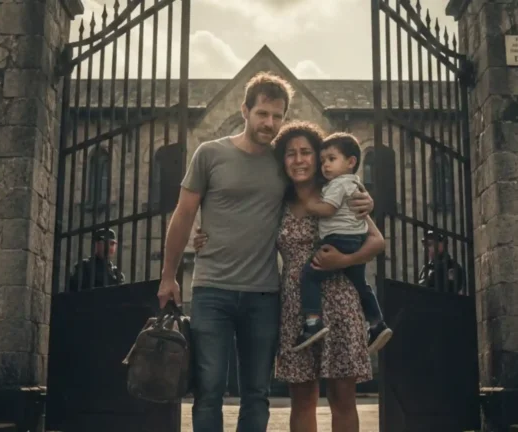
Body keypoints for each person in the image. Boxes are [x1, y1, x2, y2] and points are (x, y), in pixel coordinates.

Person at [157, 73, 374, 432]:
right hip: (212, 289)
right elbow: (183, 215)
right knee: (208, 390)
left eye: (277, 115)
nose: (269, 122)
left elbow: (326, 187)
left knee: (256, 393)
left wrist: (363, 198)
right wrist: (169, 275)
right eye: (262, 113)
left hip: (264, 294)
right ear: (245, 110)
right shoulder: (210, 153)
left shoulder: (284, 164)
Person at [194, 121, 384, 432]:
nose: (299, 160)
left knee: (342, 398)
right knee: (303, 398)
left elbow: (377, 241)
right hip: (296, 308)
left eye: (307, 152)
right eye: (291, 153)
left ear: (319, 157)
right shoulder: (277, 199)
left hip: (340, 303)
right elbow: (240, 221)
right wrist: (204, 236)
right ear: (282, 160)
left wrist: (344, 259)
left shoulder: (337, 193)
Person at [295, 132, 392, 353]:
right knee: (362, 285)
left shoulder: (338, 185)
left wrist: (309, 206)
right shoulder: (351, 184)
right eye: (323, 161)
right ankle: (377, 323)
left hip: (338, 240)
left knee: (310, 274)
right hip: (354, 239)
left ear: (351, 162)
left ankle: (312, 322)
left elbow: (328, 209)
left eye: (331, 159)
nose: (325, 166)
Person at [416, 230, 465, 294]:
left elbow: (453, 288)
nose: (425, 248)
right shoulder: (426, 267)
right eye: (424, 245)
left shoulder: (452, 266)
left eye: (429, 244)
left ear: (442, 245)